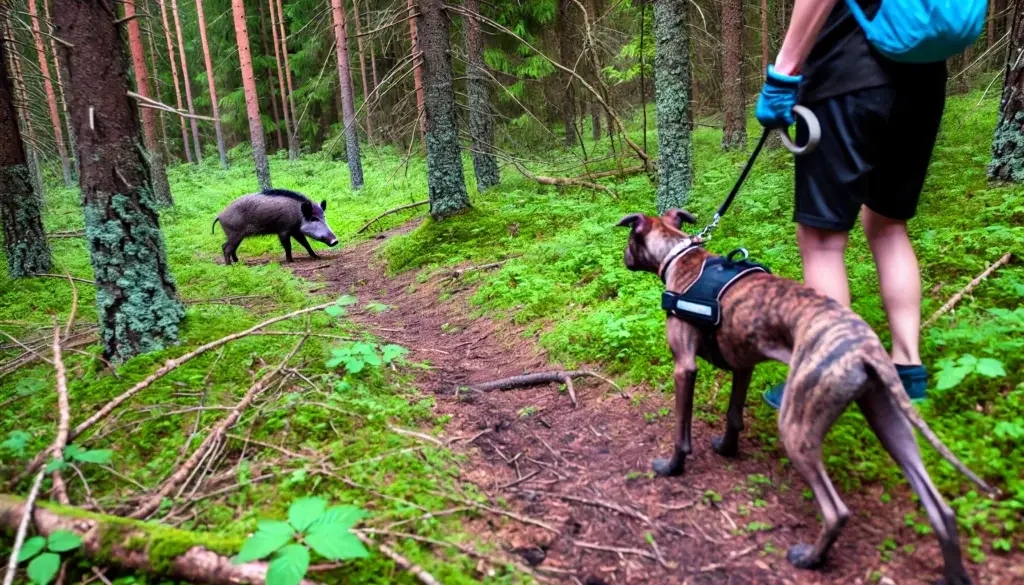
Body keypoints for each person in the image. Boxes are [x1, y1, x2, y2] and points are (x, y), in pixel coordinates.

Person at [755, 0, 947, 408]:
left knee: (822, 240)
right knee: (888, 224)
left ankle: (832, 373)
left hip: (846, 73)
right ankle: (907, 369)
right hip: (923, 79)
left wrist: (783, 73)